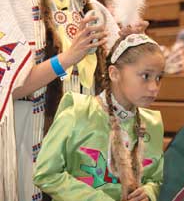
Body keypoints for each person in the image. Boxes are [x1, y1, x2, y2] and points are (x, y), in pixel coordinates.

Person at [0, 0, 123, 201]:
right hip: (30, 139)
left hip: (83, 144)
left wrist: (129, 39)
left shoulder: (90, 5)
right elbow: (11, 89)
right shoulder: (10, 2)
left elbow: (114, 72)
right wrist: (68, 58)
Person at [33, 33, 165, 201]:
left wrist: (149, 192)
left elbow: (156, 179)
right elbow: (46, 174)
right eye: (146, 76)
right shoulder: (77, 113)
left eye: (159, 77)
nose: (154, 87)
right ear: (114, 73)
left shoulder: (152, 124)